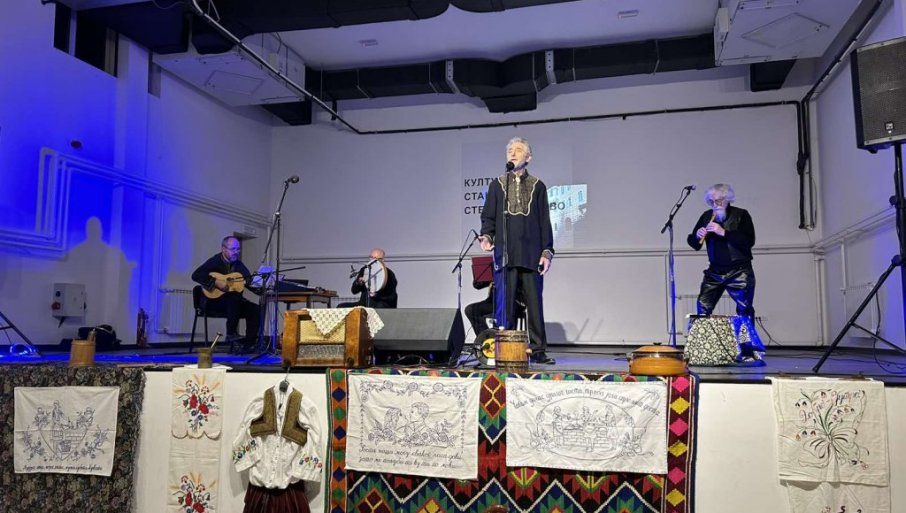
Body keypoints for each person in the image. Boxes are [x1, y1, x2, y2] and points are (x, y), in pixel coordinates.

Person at [479, 137, 555, 364]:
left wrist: (547, 251)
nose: (512, 153)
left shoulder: (538, 186)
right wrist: (487, 236)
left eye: (518, 150)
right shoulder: (497, 185)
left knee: (534, 303)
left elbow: (544, 221)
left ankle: (538, 350)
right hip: (505, 254)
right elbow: (488, 217)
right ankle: (506, 349)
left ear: (528, 157)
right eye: (509, 150)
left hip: (531, 254)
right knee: (505, 305)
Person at [686, 183, 765, 363]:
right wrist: (696, 236)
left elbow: (748, 241)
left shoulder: (741, 215)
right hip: (714, 271)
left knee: (744, 310)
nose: (716, 204)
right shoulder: (706, 216)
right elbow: (694, 244)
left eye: (719, 200)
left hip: (739, 270)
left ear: (728, 199)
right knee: (702, 308)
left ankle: (748, 352)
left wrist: (724, 232)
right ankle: (700, 350)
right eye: (712, 201)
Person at [191, 236, 261, 352]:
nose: (236, 252)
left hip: (233, 304)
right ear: (223, 249)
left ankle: (249, 344)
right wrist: (215, 282)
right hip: (212, 302)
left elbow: (248, 281)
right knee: (233, 296)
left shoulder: (239, 265)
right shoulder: (215, 261)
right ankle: (231, 333)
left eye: (238, 249)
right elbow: (196, 275)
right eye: (233, 249)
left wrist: (261, 288)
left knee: (255, 309)